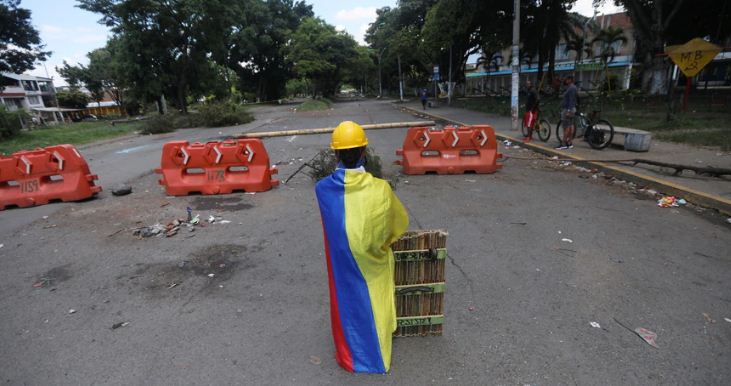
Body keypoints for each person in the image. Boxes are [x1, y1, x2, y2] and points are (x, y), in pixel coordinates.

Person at [315, 121, 409, 374]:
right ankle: (376, 349)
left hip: (342, 264)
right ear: (364, 152)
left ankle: (351, 353)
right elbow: (396, 226)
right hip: (373, 260)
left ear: (335, 154)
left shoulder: (322, 190)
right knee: (374, 298)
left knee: (347, 300)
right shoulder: (382, 190)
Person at [557, 75, 578, 150]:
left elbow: (571, 100)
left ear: (570, 80)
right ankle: (569, 142)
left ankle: (564, 144)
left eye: (567, 79)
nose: (565, 80)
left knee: (566, 127)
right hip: (571, 109)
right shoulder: (572, 87)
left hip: (568, 109)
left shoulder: (571, 88)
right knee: (571, 126)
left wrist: (569, 111)